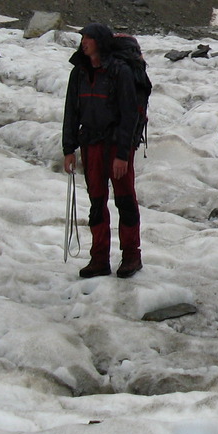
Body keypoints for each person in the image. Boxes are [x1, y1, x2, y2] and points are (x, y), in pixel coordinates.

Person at [62, 23, 142, 278]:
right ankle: (99, 259)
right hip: (91, 144)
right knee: (97, 202)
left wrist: (122, 154)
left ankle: (131, 256)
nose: (84, 42)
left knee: (124, 199)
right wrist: (69, 148)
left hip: (116, 145)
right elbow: (71, 111)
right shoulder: (80, 72)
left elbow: (129, 114)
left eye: (89, 38)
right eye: (83, 37)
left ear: (100, 42)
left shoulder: (120, 71)